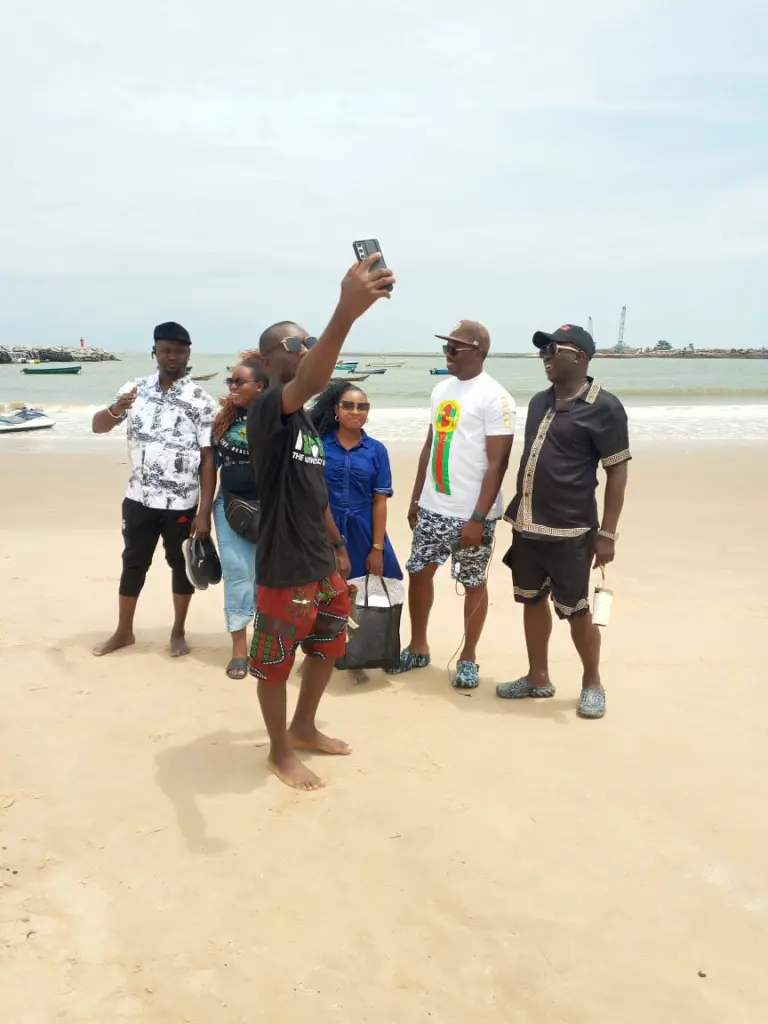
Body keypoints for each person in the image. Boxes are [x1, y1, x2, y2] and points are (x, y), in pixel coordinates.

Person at [247, 253, 395, 791]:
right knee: (275, 663)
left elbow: (315, 492)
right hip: (284, 566)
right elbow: (312, 378)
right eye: (297, 343)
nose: (307, 349)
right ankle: (279, 751)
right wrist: (345, 312)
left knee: (329, 645)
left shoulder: (306, 423)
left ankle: (304, 726)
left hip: (320, 558)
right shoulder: (269, 409)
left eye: (310, 341)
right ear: (269, 359)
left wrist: (336, 543)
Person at [496, 324, 630, 719]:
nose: (546, 357)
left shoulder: (605, 407)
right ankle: (538, 676)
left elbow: (617, 471)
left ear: (581, 357)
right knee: (531, 599)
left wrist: (607, 533)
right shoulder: (539, 401)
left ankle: (593, 683)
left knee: (576, 610)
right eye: (543, 351)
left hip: (572, 530)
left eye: (553, 349)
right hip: (527, 524)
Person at [395, 320, 515, 689]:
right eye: (445, 348)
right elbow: (430, 444)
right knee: (419, 572)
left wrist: (478, 518)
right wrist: (416, 497)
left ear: (477, 352)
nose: (447, 354)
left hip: (473, 514)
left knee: (473, 581)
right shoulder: (440, 390)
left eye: (453, 348)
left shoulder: (496, 397)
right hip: (433, 508)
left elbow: (498, 463)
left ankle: (468, 658)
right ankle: (418, 646)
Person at [92, 322, 217, 657]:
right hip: (139, 498)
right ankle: (124, 631)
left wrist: (204, 511)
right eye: (165, 350)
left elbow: (208, 459)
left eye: (179, 351)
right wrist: (117, 408)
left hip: (182, 502)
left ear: (188, 354)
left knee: (181, 565)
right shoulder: (134, 390)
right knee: (133, 562)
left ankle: (178, 631)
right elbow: (98, 426)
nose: (172, 356)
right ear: (155, 352)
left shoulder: (202, 401)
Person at [312, 378, 402, 588]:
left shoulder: (377, 450)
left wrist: (377, 548)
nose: (355, 411)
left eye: (362, 407)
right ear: (336, 410)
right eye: (348, 406)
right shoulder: (319, 445)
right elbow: (314, 496)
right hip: (324, 528)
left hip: (364, 530)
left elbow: (380, 501)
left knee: (368, 591)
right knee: (323, 592)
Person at [211, 353, 269, 679]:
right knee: (237, 573)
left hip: (271, 509)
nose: (232, 386)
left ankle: (263, 641)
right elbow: (210, 467)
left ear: (260, 386)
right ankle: (238, 649)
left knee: (266, 576)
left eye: (239, 382)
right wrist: (202, 513)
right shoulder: (224, 420)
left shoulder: (280, 418)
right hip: (230, 505)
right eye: (230, 381)